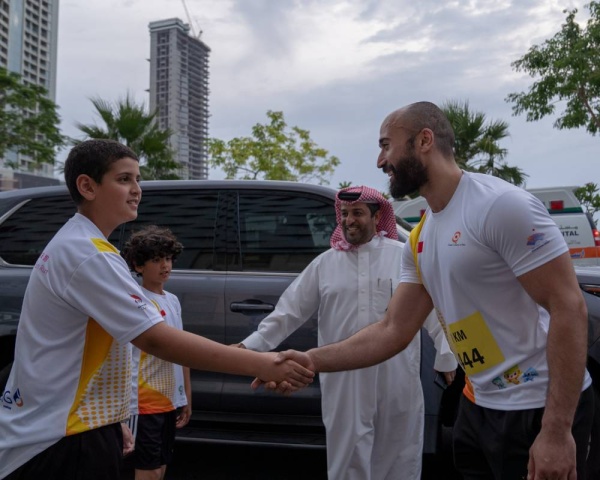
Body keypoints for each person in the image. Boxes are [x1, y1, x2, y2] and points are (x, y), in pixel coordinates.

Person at [269, 102, 594, 480]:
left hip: (537, 410)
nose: (379, 160)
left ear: (424, 140)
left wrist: (556, 430)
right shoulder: (422, 236)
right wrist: (309, 361)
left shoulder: (500, 206)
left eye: (386, 145)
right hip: (477, 408)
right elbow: (393, 329)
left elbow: (569, 307)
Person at [0, 139, 313, 480]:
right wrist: (265, 363)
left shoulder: (80, 244)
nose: (137, 190)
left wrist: (110, 419)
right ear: (87, 186)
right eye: (124, 179)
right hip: (60, 439)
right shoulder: (89, 254)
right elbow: (157, 340)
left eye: (137, 179)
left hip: (68, 427)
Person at [237, 185, 457, 479]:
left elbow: (429, 308)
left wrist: (446, 358)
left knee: (400, 452)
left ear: (378, 217)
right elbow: (288, 313)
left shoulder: (402, 256)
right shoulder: (325, 264)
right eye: (344, 213)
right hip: (343, 375)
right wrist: (248, 350)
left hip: (397, 373)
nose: (349, 220)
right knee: (347, 454)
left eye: (357, 213)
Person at [121, 225, 192, 480]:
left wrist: (185, 398)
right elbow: (124, 358)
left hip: (168, 403)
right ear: (138, 266)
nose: (165, 265)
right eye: (156, 259)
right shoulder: (135, 300)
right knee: (147, 470)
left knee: (160, 467)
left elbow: (182, 351)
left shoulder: (172, 300)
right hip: (143, 405)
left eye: (169, 258)